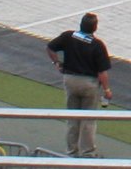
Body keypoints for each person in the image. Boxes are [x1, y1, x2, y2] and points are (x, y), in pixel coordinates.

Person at [47, 13, 114, 156]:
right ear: (95, 27)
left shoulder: (68, 36)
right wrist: (107, 89)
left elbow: (50, 48)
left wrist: (57, 63)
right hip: (89, 84)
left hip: (70, 80)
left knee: (72, 118)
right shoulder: (97, 45)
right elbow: (102, 72)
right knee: (88, 120)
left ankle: (71, 151)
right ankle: (87, 152)